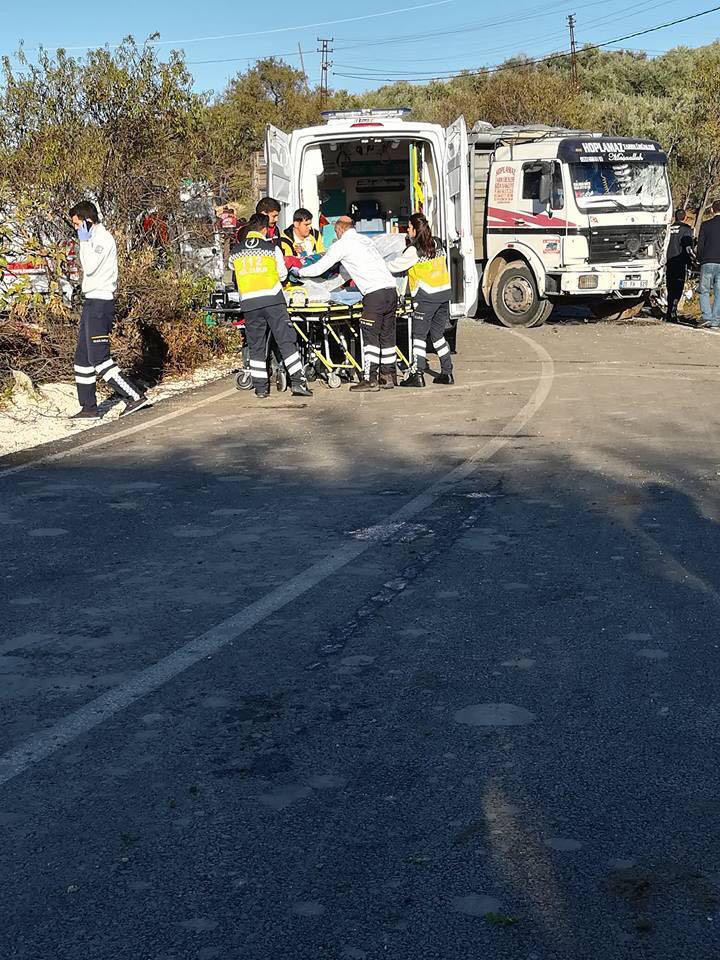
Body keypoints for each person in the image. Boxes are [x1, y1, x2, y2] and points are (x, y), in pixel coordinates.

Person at [297, 215, 398, 392]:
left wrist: (299, 273)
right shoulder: (365, 241)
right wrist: (333, 286)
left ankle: (370, 379)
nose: (336, 234)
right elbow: (348, 272)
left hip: (374, 294)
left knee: (370, 336)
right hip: (391, 290)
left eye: (336, 231)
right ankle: (388, 376)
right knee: (387, 335)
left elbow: (321, 267)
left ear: (340, 228)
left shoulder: (342, 245)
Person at [69, 201, 149, 420]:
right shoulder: (92, 238)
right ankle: (89, 407)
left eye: (77, 224)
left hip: (101, 303)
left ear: (86, 221)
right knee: (82, 358)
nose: (76, 229)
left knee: (99, 358)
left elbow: (91, 266)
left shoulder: (102, 239)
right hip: (90, 301)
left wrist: (83, 242)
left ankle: (134, 396)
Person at [229, 213, 311, 399]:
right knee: (286, 341)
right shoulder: (272, 248)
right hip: (273, 301)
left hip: (249, 303)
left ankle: (260, 388)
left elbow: (234, 270)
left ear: (250, 228)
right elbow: (282, 275)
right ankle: (298, 382)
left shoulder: (236, 251)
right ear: (265, 229)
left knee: (256, 345)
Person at [387, 213, 454, 386]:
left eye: (409, 227)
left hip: (425, 297)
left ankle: (417, 374)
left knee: (418, 336)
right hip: (443, 295)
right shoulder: (438, 243)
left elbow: (395, 266)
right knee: (438, 335)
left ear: (415, 229)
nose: (407, 230)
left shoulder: (414, 250)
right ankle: (447, 372)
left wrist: (380, 264)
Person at [665, 208, 694, 323]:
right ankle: (673, 312)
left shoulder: (668, 229)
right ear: (685, 218)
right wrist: (692, 261)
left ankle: (669, 311)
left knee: (670, 287)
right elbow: (688, 248)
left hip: (668, 262)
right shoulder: (686, 229)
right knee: (678, 288)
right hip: (680, 262)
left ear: (675, 217)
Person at [697, 199, 720, 329]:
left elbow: (700, 245)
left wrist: (700, 259)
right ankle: (716, 320)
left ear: (712, 210)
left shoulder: (706, 225)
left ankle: (706, 316)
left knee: (704, 290)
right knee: (719, 291)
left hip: (708, 260)